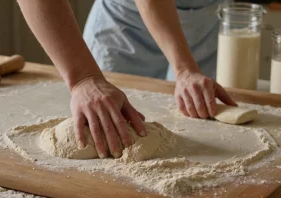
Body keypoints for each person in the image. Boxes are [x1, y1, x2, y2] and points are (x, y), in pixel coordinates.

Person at [17, 0, 236, 159]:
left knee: (201, 115)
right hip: (125, 29)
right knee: (107, 122)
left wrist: (187, 69)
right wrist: (83, 78)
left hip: (205, 24)